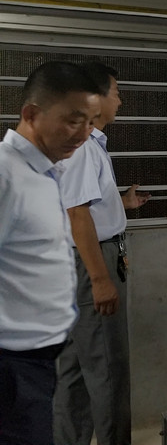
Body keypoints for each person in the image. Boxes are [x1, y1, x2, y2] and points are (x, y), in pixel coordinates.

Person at [0, 61, 102, 445]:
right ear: (31, 114)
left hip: (37, 362)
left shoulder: (44, 173)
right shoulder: (6, 174)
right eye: (73, 121)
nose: (84, 134)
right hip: (12, 366)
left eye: (90, 122)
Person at [53, 63, 150, 445]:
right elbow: (77, 215)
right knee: (108, 372)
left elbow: (83, 206)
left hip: (77, 263)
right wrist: (100, 279)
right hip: (90, 261)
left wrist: (119, 203)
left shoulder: (85, 144)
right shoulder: (82, 148)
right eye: (116, 92)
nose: (120, 100)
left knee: (75, 370)